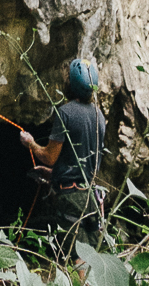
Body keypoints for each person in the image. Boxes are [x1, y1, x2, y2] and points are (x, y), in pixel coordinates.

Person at [18, 57, 105, 252]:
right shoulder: (100, 116)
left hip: (71, 197)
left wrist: (31, 143)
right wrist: (55, 174)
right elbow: (91, 162)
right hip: (91, 195)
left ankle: (82, 284)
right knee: (94, 253)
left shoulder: (65, 113)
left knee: (78, 254)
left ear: (71, 84)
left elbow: (49, 157)